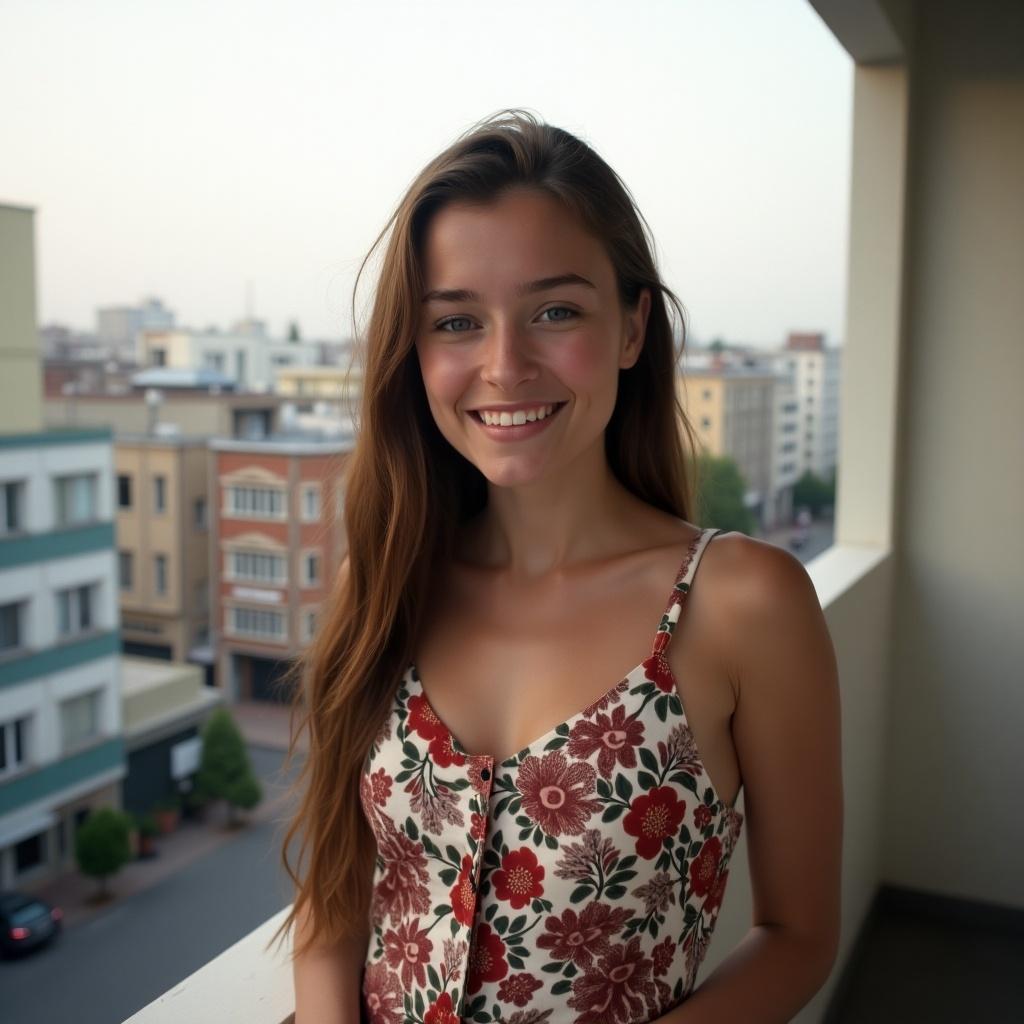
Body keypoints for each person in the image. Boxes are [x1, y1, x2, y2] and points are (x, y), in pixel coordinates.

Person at [276, 109, 843, 1024]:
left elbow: (799, 935)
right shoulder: (383, 582)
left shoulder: (741, 605)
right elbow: (338, 887)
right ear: (414, 354)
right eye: (457, 321)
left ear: (630, 328)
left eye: (554, 311)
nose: (505, 365)